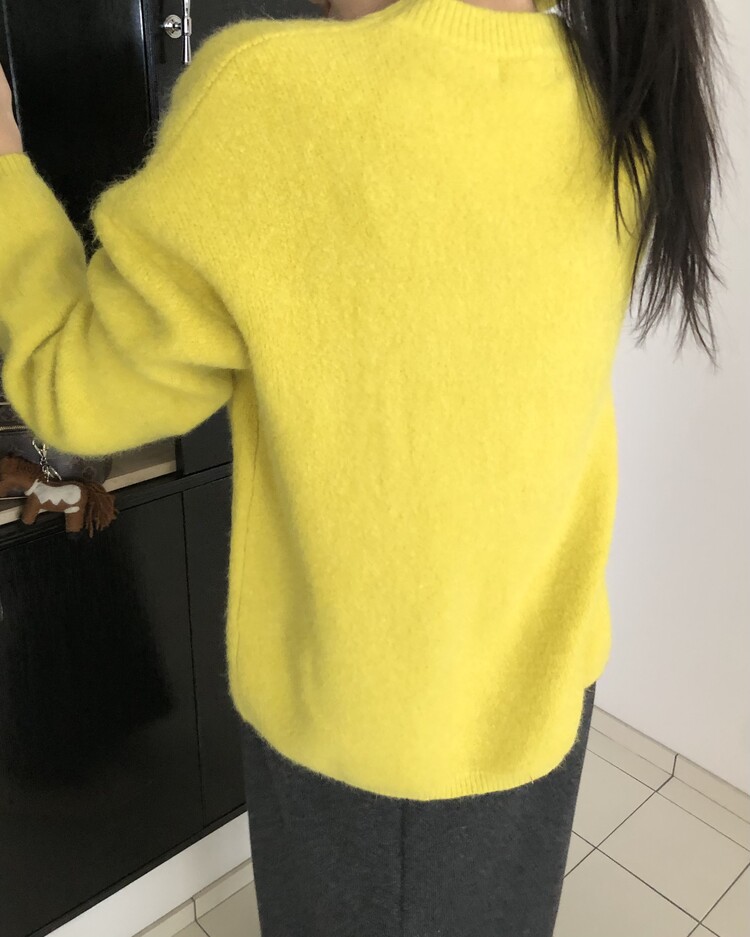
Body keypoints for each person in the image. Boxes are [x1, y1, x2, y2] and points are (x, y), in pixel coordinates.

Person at [0, 0, 729, 932]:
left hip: (359, 743)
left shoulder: (270, 99)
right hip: (540, 697)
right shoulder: (613, 94)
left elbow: (73, 390)